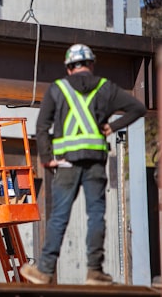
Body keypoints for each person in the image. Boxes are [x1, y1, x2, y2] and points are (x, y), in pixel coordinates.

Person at [20, 44, 147, 285]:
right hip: (95, 162)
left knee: (59, 216)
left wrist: (47, 159)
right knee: (96, 215)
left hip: (66, 163)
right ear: (91, 64)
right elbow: (137, 108)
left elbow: (41, 127)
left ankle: (45, 270)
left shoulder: (57, 89)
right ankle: (94, 272)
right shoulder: (105, 87)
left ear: (69, 68)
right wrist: (112, 127)